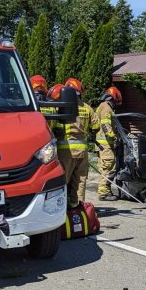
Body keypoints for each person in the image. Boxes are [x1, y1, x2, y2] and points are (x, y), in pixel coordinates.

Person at [55, 78, 98, 207]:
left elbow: (55, 128)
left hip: (65, 150)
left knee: (62, 181)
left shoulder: (61, 107)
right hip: (82, 152)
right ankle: (77, 207)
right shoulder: (87, 108)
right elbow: (96, 127)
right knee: (80, 180)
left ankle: (60, 208)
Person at [95, 86, 122, 201]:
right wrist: (114, 137)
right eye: (116, 102)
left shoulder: (102, 106)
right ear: (113, 99)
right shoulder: (107, 109)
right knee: (109, 168)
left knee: (104, 168)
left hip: (101, 144)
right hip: (106, 144)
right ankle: (104, 193)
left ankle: (105, 190)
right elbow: (106, 126)